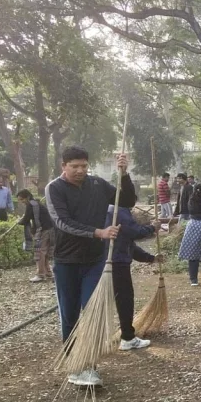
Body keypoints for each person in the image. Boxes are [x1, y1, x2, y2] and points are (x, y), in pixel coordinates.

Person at [45, 145, 126, 387]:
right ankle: (74, 364)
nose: (80, 170)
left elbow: (126, 199)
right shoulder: (55, 188)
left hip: (94, 260)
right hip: (66, 262)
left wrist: (124, 173)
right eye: (74, 167)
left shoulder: (98, 185)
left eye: (83, 166)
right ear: (64, 167)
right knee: (69, 315)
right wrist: (97, 232)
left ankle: (89, 364)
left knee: (93, 310)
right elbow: (62, 221)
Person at [105, 179, 160, 351]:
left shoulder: (107, 210)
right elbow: (134, 232)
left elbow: (128, 243)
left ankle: (107, 336)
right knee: (124, 299)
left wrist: (151, 258)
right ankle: (127, 337)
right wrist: (152, 228)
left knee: (112, 299)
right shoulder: (120, 212)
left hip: (105, 260)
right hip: (117, 262)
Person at [17, 189, 55, 283]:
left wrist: (19, 222)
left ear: (28, 197)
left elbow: (26, 219)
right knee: (44, 252)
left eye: (22, 199)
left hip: (44, 230)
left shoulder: (31, 205)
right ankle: (48, 273)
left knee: (40, 252)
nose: (21, 202)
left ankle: (40, 275)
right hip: (49, 229)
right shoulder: (36, 204)